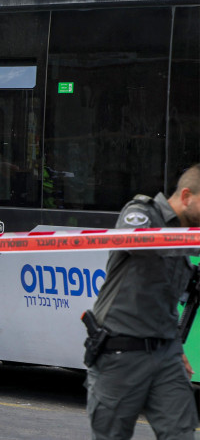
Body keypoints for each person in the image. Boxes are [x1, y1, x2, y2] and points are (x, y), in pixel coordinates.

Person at [84, 165, 200, 440]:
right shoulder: (142, 213)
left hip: (166, 354)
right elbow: (136, 242)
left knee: (181, 433)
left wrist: (175, 344)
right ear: (186, 197)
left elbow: (165, 299)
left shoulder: (185, 236)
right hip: (121, 352)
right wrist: (189, 242)